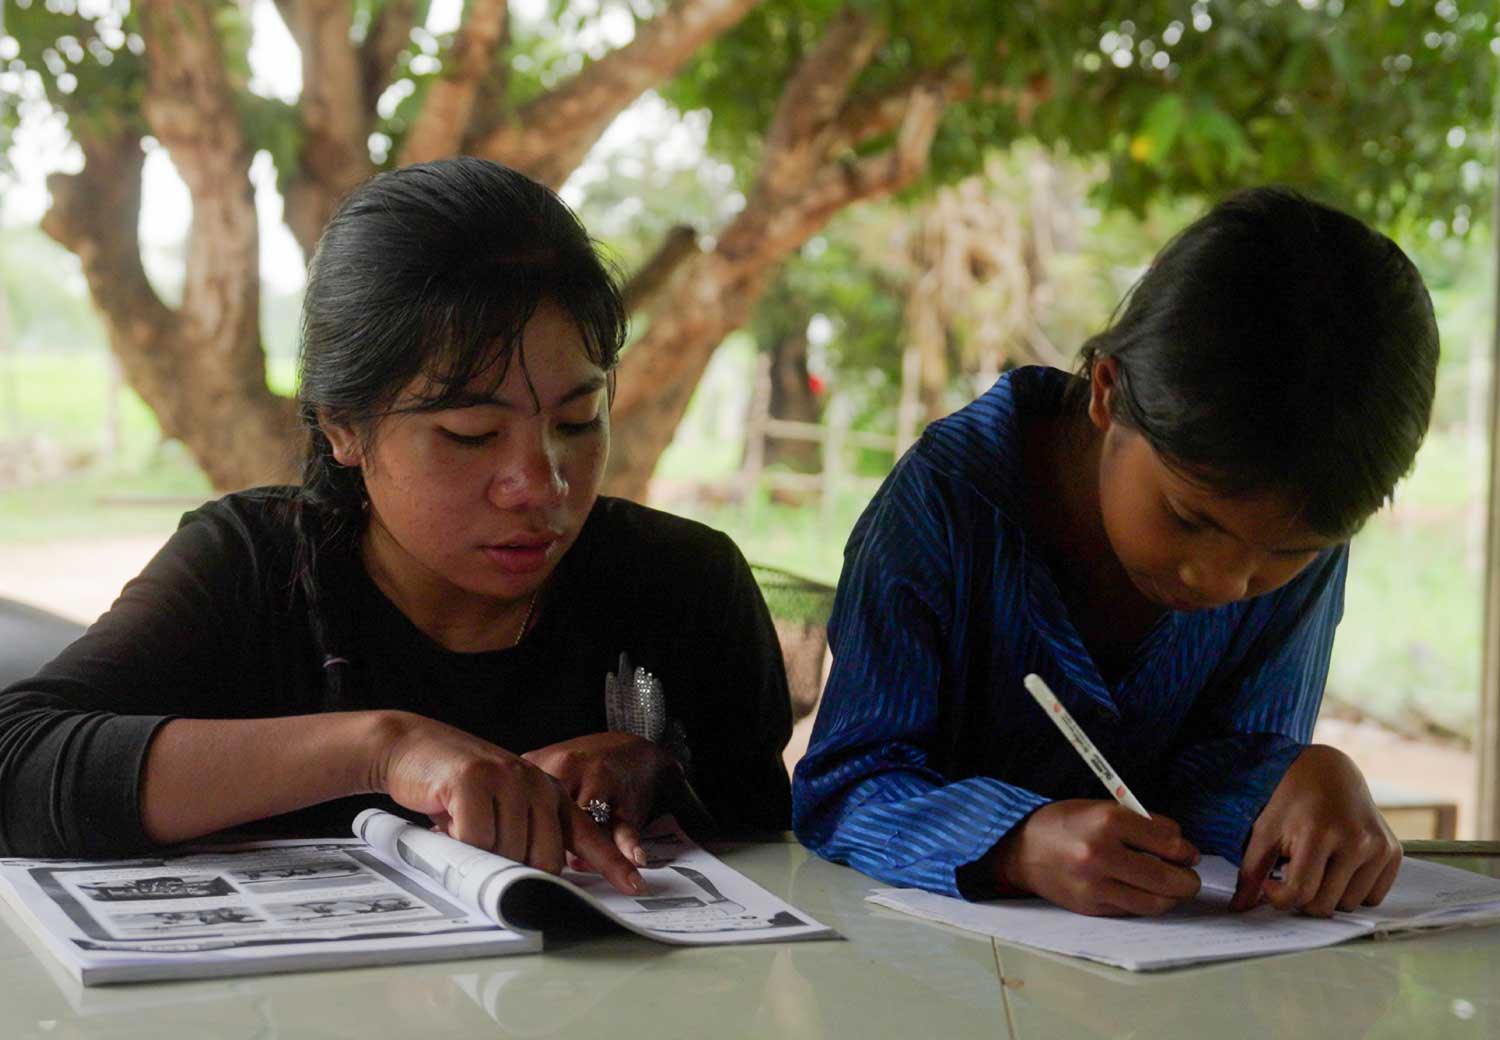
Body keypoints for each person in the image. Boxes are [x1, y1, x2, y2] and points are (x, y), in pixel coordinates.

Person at [0, 158, 792, 893]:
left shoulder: (684, 587)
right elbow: (18, 762)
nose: (540, 484)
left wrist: (656, 772)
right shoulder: (250, 571)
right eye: (471, 435)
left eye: (579, 420)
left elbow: (777, 848)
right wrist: (382, 749)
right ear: (343, 427)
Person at [793, 187, 1438, 919]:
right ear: (1107, 392)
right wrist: (1016, 845)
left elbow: (1217, 768)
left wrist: (1300, 783)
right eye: (1190, 518)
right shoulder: (948, 503)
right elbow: (844, 784)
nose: (1224, 580)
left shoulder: (1300, 523)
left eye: (1288, 552)